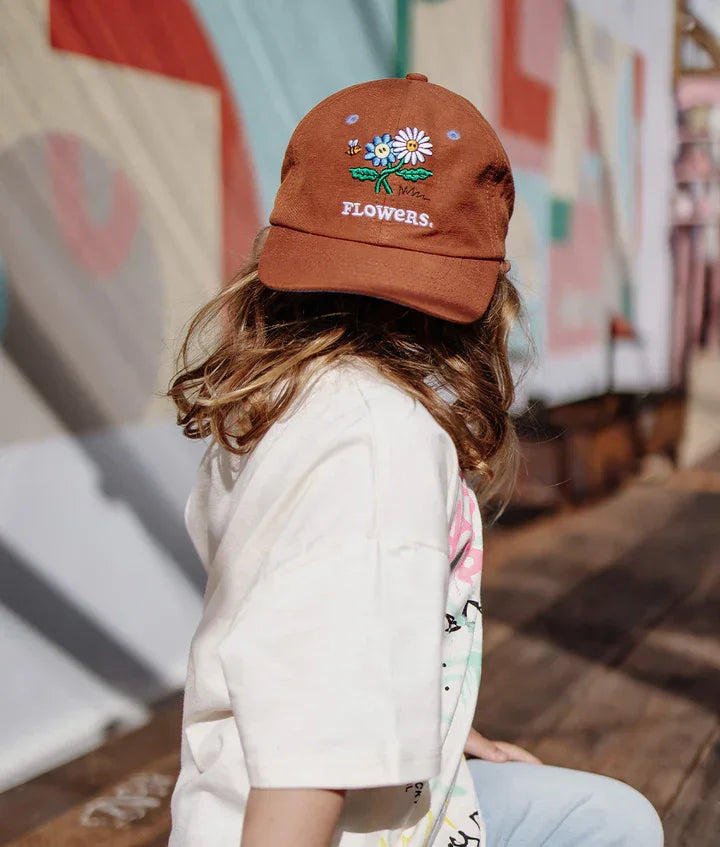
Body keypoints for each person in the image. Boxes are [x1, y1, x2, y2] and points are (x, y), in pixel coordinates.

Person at [166, 74, 664, 847]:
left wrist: (440, 726)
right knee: (614, 830)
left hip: (239, 800)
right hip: (327, 825)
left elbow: (307, 630)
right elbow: (310, 746)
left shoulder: (274, 401)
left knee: (610, 816)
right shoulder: (385, 439)